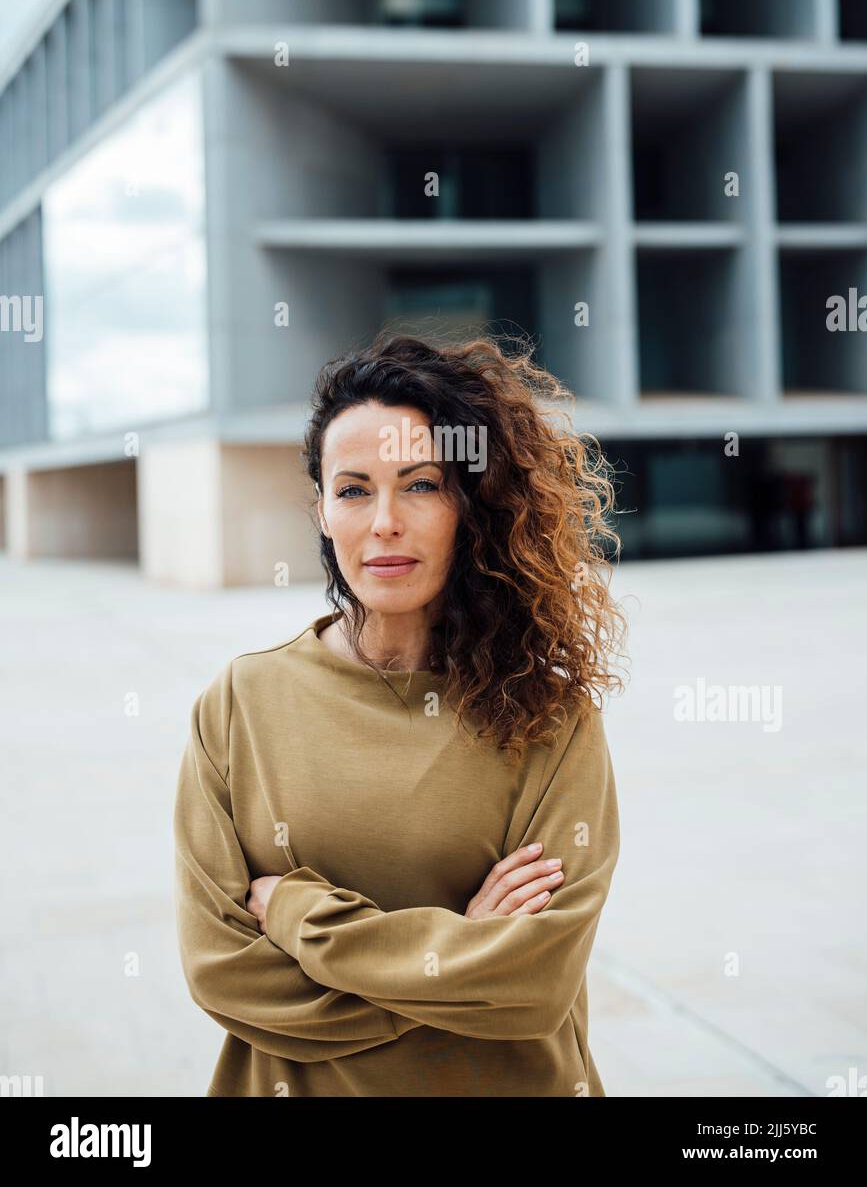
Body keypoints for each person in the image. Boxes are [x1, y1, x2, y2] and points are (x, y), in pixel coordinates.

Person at [173, 330, 627, 1097]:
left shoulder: (548, 711)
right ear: (321, 511)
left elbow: (533, 981)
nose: (384, 520)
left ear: (470, 502)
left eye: (420, 485)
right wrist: (461, 956)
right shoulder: (240, 703)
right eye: (353, 489)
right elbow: (225, 976)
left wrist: (294, 913)